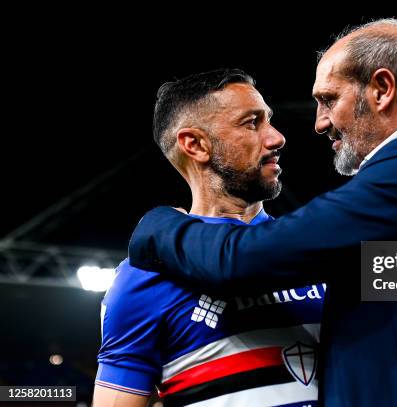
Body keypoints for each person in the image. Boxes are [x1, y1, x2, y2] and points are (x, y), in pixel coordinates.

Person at [128, 18, 397, 405]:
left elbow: (243, 259)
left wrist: (157, 225)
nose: (320, 123)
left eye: (329, 99)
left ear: (381, 89)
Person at [93, 70, 325, 407]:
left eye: (269, 121)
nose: (276, 138)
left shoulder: (322, 248)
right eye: (251, 123)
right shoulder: (142, 279)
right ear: (196, 145)